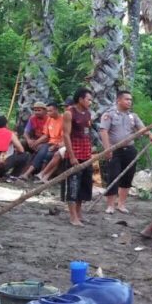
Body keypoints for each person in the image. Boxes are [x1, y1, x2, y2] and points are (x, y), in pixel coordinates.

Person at [100, 90, 152, 214]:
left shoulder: (133, 116)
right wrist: (107, 148)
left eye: (130, 99)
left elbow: (142, 129)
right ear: (118, 100)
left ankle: (121, 204)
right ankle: (110, 205)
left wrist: (150, 134)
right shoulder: (109, 115)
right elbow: (103, 131)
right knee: (113, 176)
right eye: (126, 99)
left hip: (129, 150)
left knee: (127, 177)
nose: (129, 102)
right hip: (115, 150)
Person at [60, 88, 95, 226]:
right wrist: (72, 155)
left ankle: (79, 214)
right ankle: (73, 217)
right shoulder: (69, 113)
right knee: (73, 186)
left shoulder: (88, 113)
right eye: (88, 99)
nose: (90, 102)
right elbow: (66, 135)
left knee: (84, 186)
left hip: (86, 153)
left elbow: (87, 133)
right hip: (75, 154)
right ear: (80, 99)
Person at [22, 102, 64, 181]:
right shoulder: (48, 119)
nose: (48, 113)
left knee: (46, 153)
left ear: (56, 110)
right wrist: (33, 142)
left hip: (57, 144)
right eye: (35, 110)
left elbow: (63, 137)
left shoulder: (62, 120)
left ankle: (41, 175)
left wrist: (55, 146)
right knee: (38, 152)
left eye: (50, 111)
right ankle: (26, 173)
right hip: (48, 142)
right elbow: (46, 135)